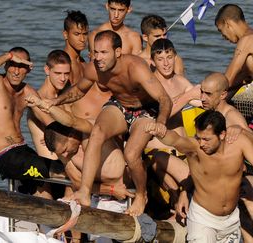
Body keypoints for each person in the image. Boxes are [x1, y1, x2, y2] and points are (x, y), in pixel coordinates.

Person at [50, 30, 173, 216]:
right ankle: (84, 191)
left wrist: (161, 122)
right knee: (97, 132)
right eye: (96, 52)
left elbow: (165, 99)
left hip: (146, 110)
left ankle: (141, 195)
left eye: (104, 53)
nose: (98, 58)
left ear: (117, 52)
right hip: (120, 106)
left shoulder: (136, 67)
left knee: (131, 155)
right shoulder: (94, 69)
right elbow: (78, 91)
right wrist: (55, 102)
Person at [146, 110, 253, 242]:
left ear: (222, 135)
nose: (201, 143)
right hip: (203, 220)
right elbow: (175, 139)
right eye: (199, 137)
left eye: (206, 139)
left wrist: (240, 129)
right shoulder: (194, 148)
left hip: (231, 220)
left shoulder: (239, 143)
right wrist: (160, 132)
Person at [0, 47, 64, 197]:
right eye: (13, 64)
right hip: (7, 157)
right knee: (63, 173)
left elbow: (48, 120)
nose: (16, 71)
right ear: (5, 66)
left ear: (28, 69)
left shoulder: (27, 92)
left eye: (21, 66)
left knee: (58, 185)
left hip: (24, 152)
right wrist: (9, 55)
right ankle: (110, 190)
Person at [145, 39, 199, 204]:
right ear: (153, 61)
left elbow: (201, 101)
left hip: (182, 150)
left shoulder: (180, 81)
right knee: (195, 182)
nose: (166, 63)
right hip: (158, 151)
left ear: (175, 56)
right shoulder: (151, 84)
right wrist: (187, 96)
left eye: (169, 57)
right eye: (160, 59)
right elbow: (161, 116)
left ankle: (177, 204)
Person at [27, 50, 71, 161]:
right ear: (47, 70)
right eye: (57, 73)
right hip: (51, 163)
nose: (62, 79)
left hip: (67, 158)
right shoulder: (38, 99)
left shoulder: (63, 96)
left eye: (66, 74)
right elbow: (59, 133)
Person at [215, 4, 253, 99]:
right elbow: (238, 80)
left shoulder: (246, 40)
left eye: (220, 30)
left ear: (227, 24)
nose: (222, 36)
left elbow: (228, 79)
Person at [63, 10, 89, 85]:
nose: (82, 39)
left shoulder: (82, 62)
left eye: (85, 34)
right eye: (77, 34)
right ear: (65, 34)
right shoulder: (64, 63)